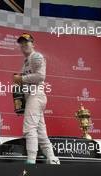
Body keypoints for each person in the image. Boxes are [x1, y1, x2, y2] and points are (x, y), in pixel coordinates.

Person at [13, 33, 60, 164]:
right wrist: (18, 82)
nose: (23, 46)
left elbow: (41, 76)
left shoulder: (37, 56)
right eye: (21, 45)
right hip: (32, 97)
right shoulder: (26, 61)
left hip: (36, 96)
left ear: (33, 44)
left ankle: (31, 161)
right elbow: (26, 79)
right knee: (41, 132)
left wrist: (21, 78)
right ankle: (52, 158)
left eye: (26, 43)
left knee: (29, 129)